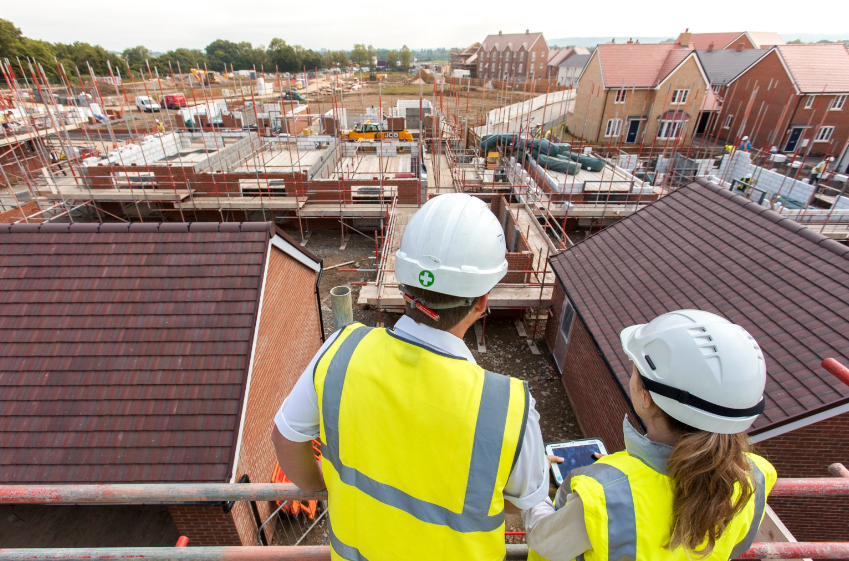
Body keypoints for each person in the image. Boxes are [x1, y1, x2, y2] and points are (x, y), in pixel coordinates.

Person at [272, 193, 549, 560]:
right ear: (482, 300)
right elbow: (528, 506)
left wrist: (320, 486)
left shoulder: (340, 351)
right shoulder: (508, 410)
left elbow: (286, 437)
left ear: (403, 284)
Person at [523, 310, 777, 561]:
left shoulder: (603, 497)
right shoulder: (755, 477)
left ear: (646, 398)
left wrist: (536, 482)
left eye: (634, 371)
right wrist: (619, 474)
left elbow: (544, 541)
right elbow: (735, 546)